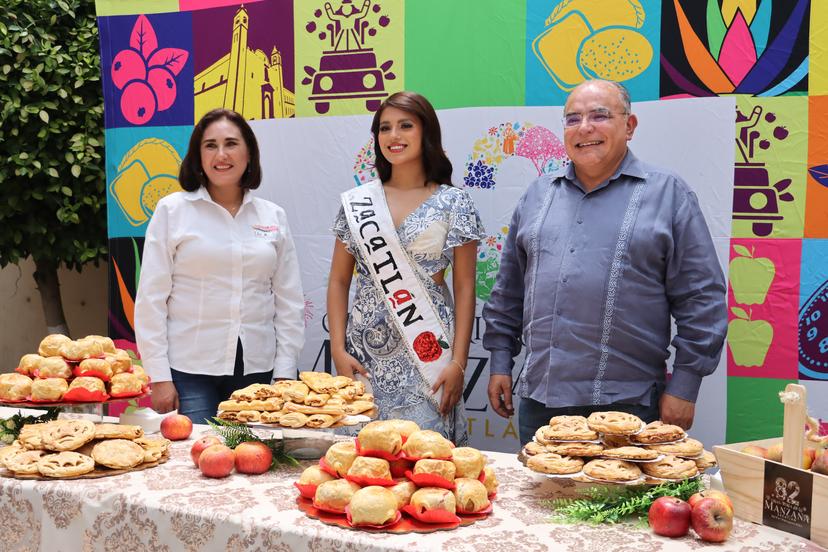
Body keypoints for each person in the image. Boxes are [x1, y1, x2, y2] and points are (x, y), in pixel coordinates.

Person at [482, 79, 727, 445]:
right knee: (539, 503)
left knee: (624, 503)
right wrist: (500, 361)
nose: (585, 128)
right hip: (540, 403)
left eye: (600, 116)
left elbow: (702, 299)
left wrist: (686, 385)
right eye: (572, 119)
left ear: (629, 126)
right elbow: (508, 292)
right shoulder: (537, 196)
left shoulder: (668, 194)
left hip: (629, 407)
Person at [327, 91, 485, 445]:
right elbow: (338, 281)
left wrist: (458, 362)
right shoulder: (359, 203)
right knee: (361, 460)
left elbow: (465, 288)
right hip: (363, 352)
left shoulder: (454, 202)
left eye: (405, 126)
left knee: (424, 457)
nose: (393, 136)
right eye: (385, 128)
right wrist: (338, 348)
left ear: (426, 132)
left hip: (427, 351)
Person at [135, 108, 305, 423]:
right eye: (210, 145)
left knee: (254, 462)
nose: (221, 154)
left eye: (231, 143)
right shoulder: (172, 211)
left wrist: (284, 373)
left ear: (249, 153)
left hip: (259, 369)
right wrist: (158, 376)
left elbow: (289, 301)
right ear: (197, 156)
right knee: (194, 464)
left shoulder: (272, 216)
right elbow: (151, 298)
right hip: (189, 371)